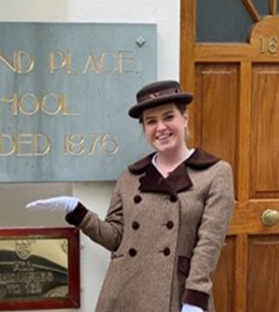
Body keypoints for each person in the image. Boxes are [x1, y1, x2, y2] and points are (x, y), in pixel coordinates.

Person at [26, 80, 234, 312]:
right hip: (125, 293)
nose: (161, 127)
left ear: (184, 119)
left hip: (178, 294)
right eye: (151, 121)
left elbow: (209, 244)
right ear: (144, 129)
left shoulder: (215, 173)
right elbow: (115, 238)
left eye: (168, 117)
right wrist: (78, 211)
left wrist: (195, 298)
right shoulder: (131, 176)